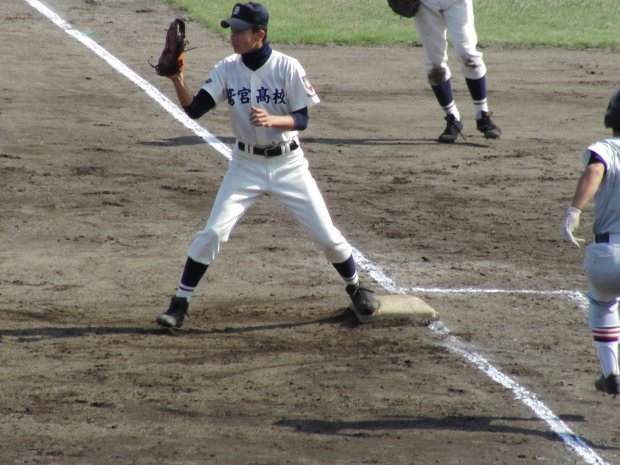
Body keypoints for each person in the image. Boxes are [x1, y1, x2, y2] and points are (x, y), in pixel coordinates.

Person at [154, 2, 380, 328]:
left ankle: (356, 288)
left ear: (259, 35)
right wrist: (177, 80)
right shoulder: (227, 68)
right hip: (245, 165)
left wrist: (274, 119)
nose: (233, 35)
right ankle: (179, 304)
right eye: (231, 29)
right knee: (213, 232)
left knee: (327, 236)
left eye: (239, 30)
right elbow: (195, 109)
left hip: (289, 164)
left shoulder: (287, 67)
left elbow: (302, 119)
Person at [562, 88, 620, 396]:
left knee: (602, 301)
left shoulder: (605, 148)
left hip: (608, 257)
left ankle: (611, 373)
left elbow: (595, 170)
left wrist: (574, 211)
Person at [411, 0, 501, 143]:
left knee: (468, 55)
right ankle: (452, 117)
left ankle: (482, 114)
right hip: (425, 4)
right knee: (435, 65)